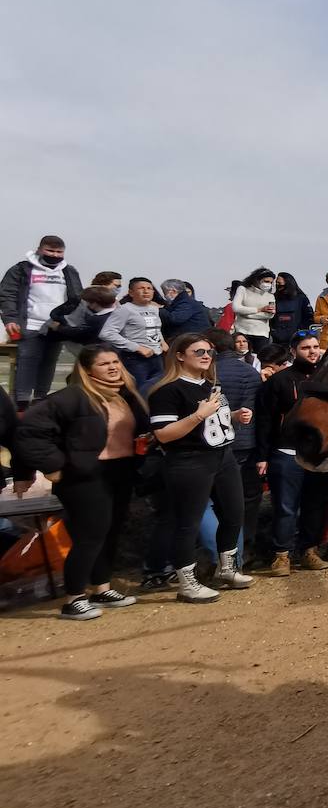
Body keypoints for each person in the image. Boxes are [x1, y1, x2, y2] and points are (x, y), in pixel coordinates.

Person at [12, 346, 149, 619]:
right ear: (87, 370)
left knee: (110, 533)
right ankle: (74, 598)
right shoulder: (71, 397)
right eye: (104, 364)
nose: (113, 367)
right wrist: (52, 465)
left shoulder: (128, 395)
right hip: (84, 476)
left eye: (115, 362)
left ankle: (102, 588)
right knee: (90, 536)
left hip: (120, 472)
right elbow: (28, 432)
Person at [146, 333, 253, 603]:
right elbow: (164, 434)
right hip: (189, 461)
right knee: (188, 523)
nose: (206, 356)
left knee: (234, 513)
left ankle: (228, 568)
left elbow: (213, 423)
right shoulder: (167, 390)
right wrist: (198, 415)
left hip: (222, 456)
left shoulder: (210, 385)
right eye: (199, 352)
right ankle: (187, 583)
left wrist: (235, 416)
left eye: (209, 352)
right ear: (180, 355)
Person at [256, 332, 328, 574]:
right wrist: (262, 456)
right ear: (293, 351)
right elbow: (265, 420)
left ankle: (309, 551)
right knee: (286, 507)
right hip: (286, 453)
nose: (312, 351)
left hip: (317, 454)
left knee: (315, 505)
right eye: (305, 347)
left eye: (316, 346)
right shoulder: (279, 381)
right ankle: (281, 556)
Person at [0, 234, 83, 407]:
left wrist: (66, 320)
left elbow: (76, 298)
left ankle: (41, 399)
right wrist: (10, 319)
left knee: (49, 362)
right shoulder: (21, 269)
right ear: (40, 249)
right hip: (30, 324)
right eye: (50, 250)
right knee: (27, 360)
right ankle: (21, 401)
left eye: (59, 252)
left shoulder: (69, 271)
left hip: (56, 325)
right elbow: (7, 294)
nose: (54, 255)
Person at [206, 329, 263, 565]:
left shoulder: (210, 372)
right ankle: (245, 549)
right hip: (248, 442)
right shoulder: (250, 371)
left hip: (218, 442)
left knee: (219, 502)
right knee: (248, 500)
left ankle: (222, 556)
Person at [99, 277, 167, 390]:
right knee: (139, 393)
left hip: (157, 357)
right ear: (131, 292)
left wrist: (162, 341)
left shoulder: (154, 309)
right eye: (141, 288)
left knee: (157, 390)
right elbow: (106, 333)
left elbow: (154, 328)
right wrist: (137, 348)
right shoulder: (125, 310)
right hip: (136, 359)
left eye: (149, 288)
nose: (146, 291)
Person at [231, 267, 276, 352]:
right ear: (257, 279)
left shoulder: (270, 296)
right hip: (243, 331)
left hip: (262, 333)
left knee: (260, 360)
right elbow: (236, 308)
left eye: (271, 282)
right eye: (266, 281)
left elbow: (270, 315)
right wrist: (259, 309)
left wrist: (245, 313)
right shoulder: (243, 290)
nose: (268, 284)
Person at [268, 272, 313, 346]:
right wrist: (273, 331)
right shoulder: (273, 298)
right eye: (276, 283)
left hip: (296, 338)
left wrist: (300, 331)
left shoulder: (301, 298)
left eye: (280, 283)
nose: (278, 285)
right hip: (277, 339)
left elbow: (309, 317)